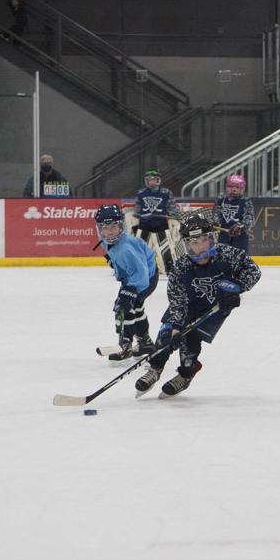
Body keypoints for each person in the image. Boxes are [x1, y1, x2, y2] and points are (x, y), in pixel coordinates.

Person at [135, 215, 261, 399]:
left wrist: (237, 287)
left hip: (214, 310)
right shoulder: (181, 267)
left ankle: (186, 375)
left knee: (190, 346)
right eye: (194, 242)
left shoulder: (227, 254)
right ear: (187, 244)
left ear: (212, 239)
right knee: (166, 336)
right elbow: (177, 300)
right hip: (187, 306)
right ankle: (155, 368)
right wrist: (176, 327)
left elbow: (253, 271)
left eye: (204, 240)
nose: (200, 246)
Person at [95, 204, 159, 362]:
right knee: (136, 306)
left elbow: (141, 274)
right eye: (105, 228)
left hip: (144, 278)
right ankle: (145, 342)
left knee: (123, 307)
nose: (109, 232)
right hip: (137, 276)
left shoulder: (126, 247)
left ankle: (125, 345)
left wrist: (129, 292)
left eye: (113, 227)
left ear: (121, 226)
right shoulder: (105, 240)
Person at [134, 168, 178, 272]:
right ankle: (141, 268)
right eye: (149, 179)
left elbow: (173, 209)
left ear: (158, 180)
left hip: (161, 225)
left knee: (166, 248)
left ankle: (170, 268)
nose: (151, 181)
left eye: (153, 179)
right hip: (144, 225)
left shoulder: (166, 192)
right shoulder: (140, 193)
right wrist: (139, 216)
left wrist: (173, 215)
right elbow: (137, 210)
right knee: (140, 249)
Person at [212, 173, 255, 252]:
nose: (234, 189)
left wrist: (241, 226)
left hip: (240, 236)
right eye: (231, 186)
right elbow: (216, 214)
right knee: (222, 256)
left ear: (242, 188)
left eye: (237, 187)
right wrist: (216, 222)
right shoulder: (221, 200)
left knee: (240, 256)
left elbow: (250, 218)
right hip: (223, 235)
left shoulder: (246, 201)